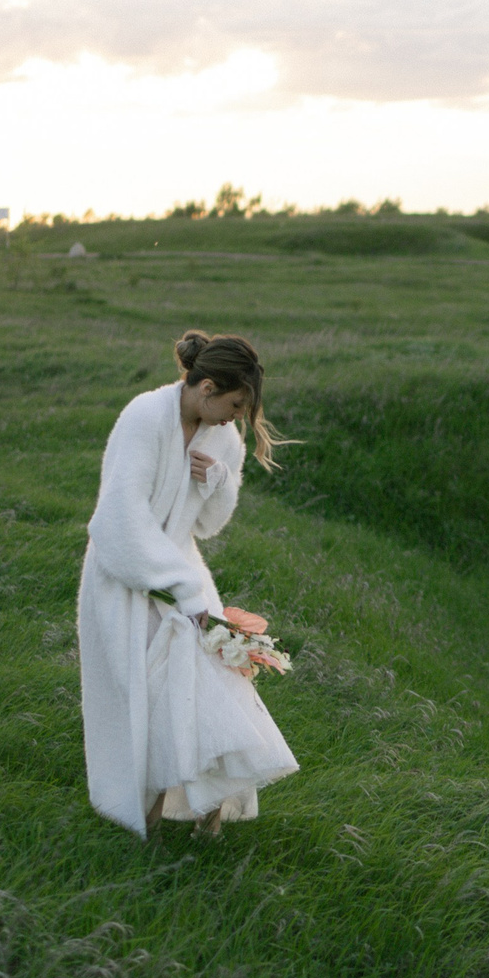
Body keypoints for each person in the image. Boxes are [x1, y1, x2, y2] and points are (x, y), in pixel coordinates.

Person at [78, 331, 298, 836]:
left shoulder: (223, 437)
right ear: (205, 388)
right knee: (148, 693)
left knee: (208, 685)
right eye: (234, 403)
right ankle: (145, 816)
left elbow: (207, 525)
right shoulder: (142, 417)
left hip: (183, 573)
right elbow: (119, 520)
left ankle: (208, 817)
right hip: (125, 575)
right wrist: (181, 586)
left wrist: (218, 481)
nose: (236, 417)